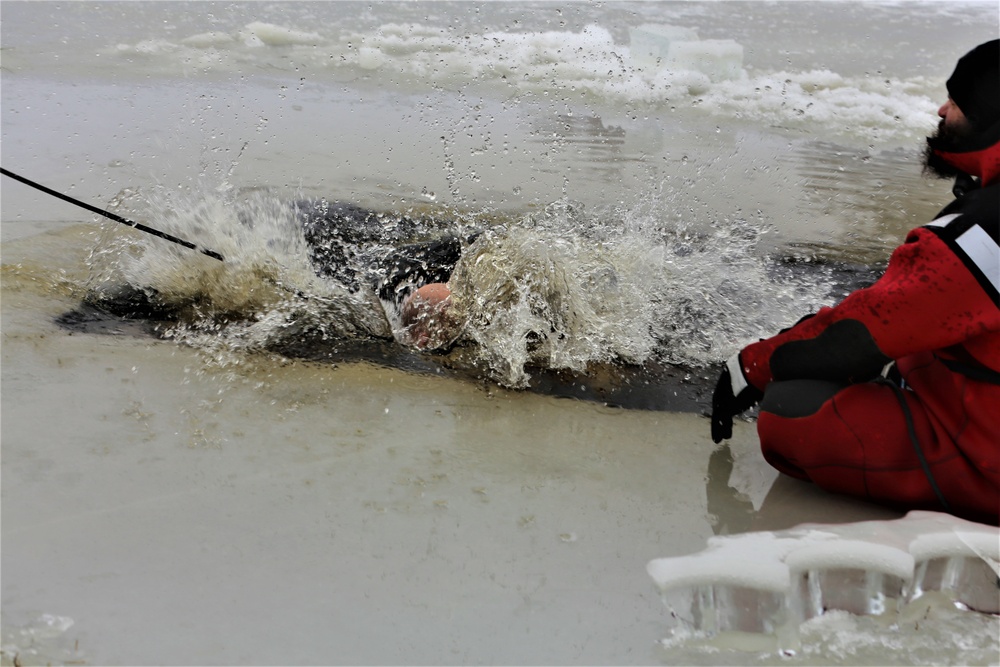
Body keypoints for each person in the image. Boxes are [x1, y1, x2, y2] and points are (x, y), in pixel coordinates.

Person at [710, 39, 1000, 525]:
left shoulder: (983, 233)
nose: (942, 110)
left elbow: (862, 333)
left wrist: (751, 366)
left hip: (988, 462)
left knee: (791, 407)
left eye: (959, 104)